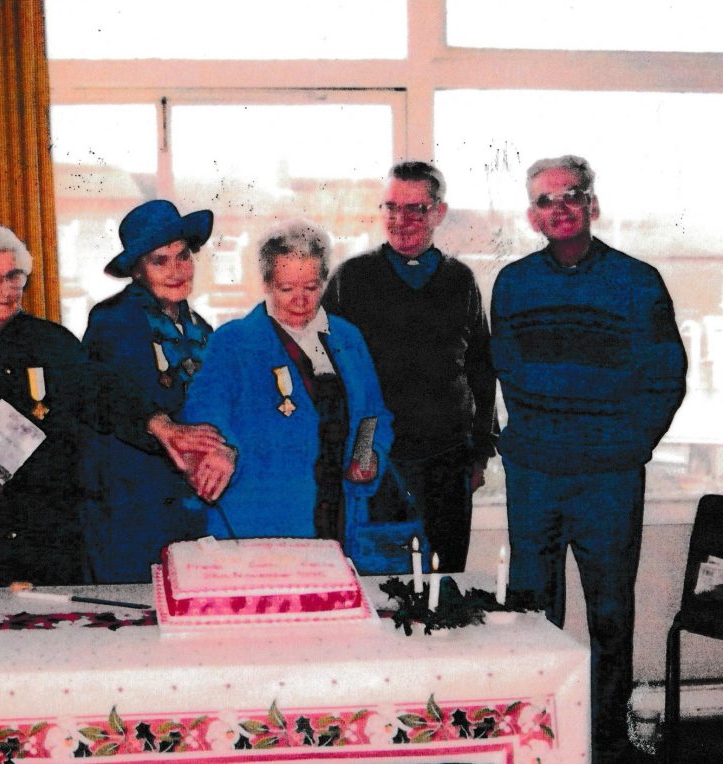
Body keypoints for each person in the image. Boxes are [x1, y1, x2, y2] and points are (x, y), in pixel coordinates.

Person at [0, 220, 221, 759]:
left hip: (40, 549)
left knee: (48, 708)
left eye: (14, 276)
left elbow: (105, 397)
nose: (5, 289)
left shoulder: (52, 343)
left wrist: (160, 426)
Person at [491, 155, 686, 764]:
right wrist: (530, 443)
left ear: (591, 204)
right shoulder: (514, 283)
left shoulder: (638, 281)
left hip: (608, 479)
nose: (560, 208)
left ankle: (604, 740)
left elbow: (667, 377)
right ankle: (537, 737)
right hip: (536, 479)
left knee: (610, 614)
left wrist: (629, 445)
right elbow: (506, 369)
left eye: (572, 195)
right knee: (532, 612)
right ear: (532, 216)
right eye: (546, 200)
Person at [322, 160, 498, 572]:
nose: (401, 221)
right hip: (377, 461)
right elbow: (328, 374)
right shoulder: (352, 278)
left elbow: (481, 371)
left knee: (444, 581)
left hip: (448, 463)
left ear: (438, 212)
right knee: (380, 581)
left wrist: (479, 456)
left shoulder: (461, 281)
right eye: (392, 207)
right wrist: (354, 453)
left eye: (416, 209)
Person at [181, 219, 394, 551]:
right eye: (286, 289)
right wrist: (222, 450)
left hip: (338, 517)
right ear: (267, 284)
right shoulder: (235, 341)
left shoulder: (347, 337)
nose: (300, 300)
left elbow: (371, 413)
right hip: (257, 522)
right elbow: (205, 409)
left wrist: (366, 456)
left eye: (311, 287)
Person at [82, 200, 215, 582]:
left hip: (188, 503)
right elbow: (104, 392)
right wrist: (158, 423)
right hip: (131, 506)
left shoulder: (202, 329)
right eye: (160, 261)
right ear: (137, 270)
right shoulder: (114, 319)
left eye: (183, 256)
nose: (177, 270)